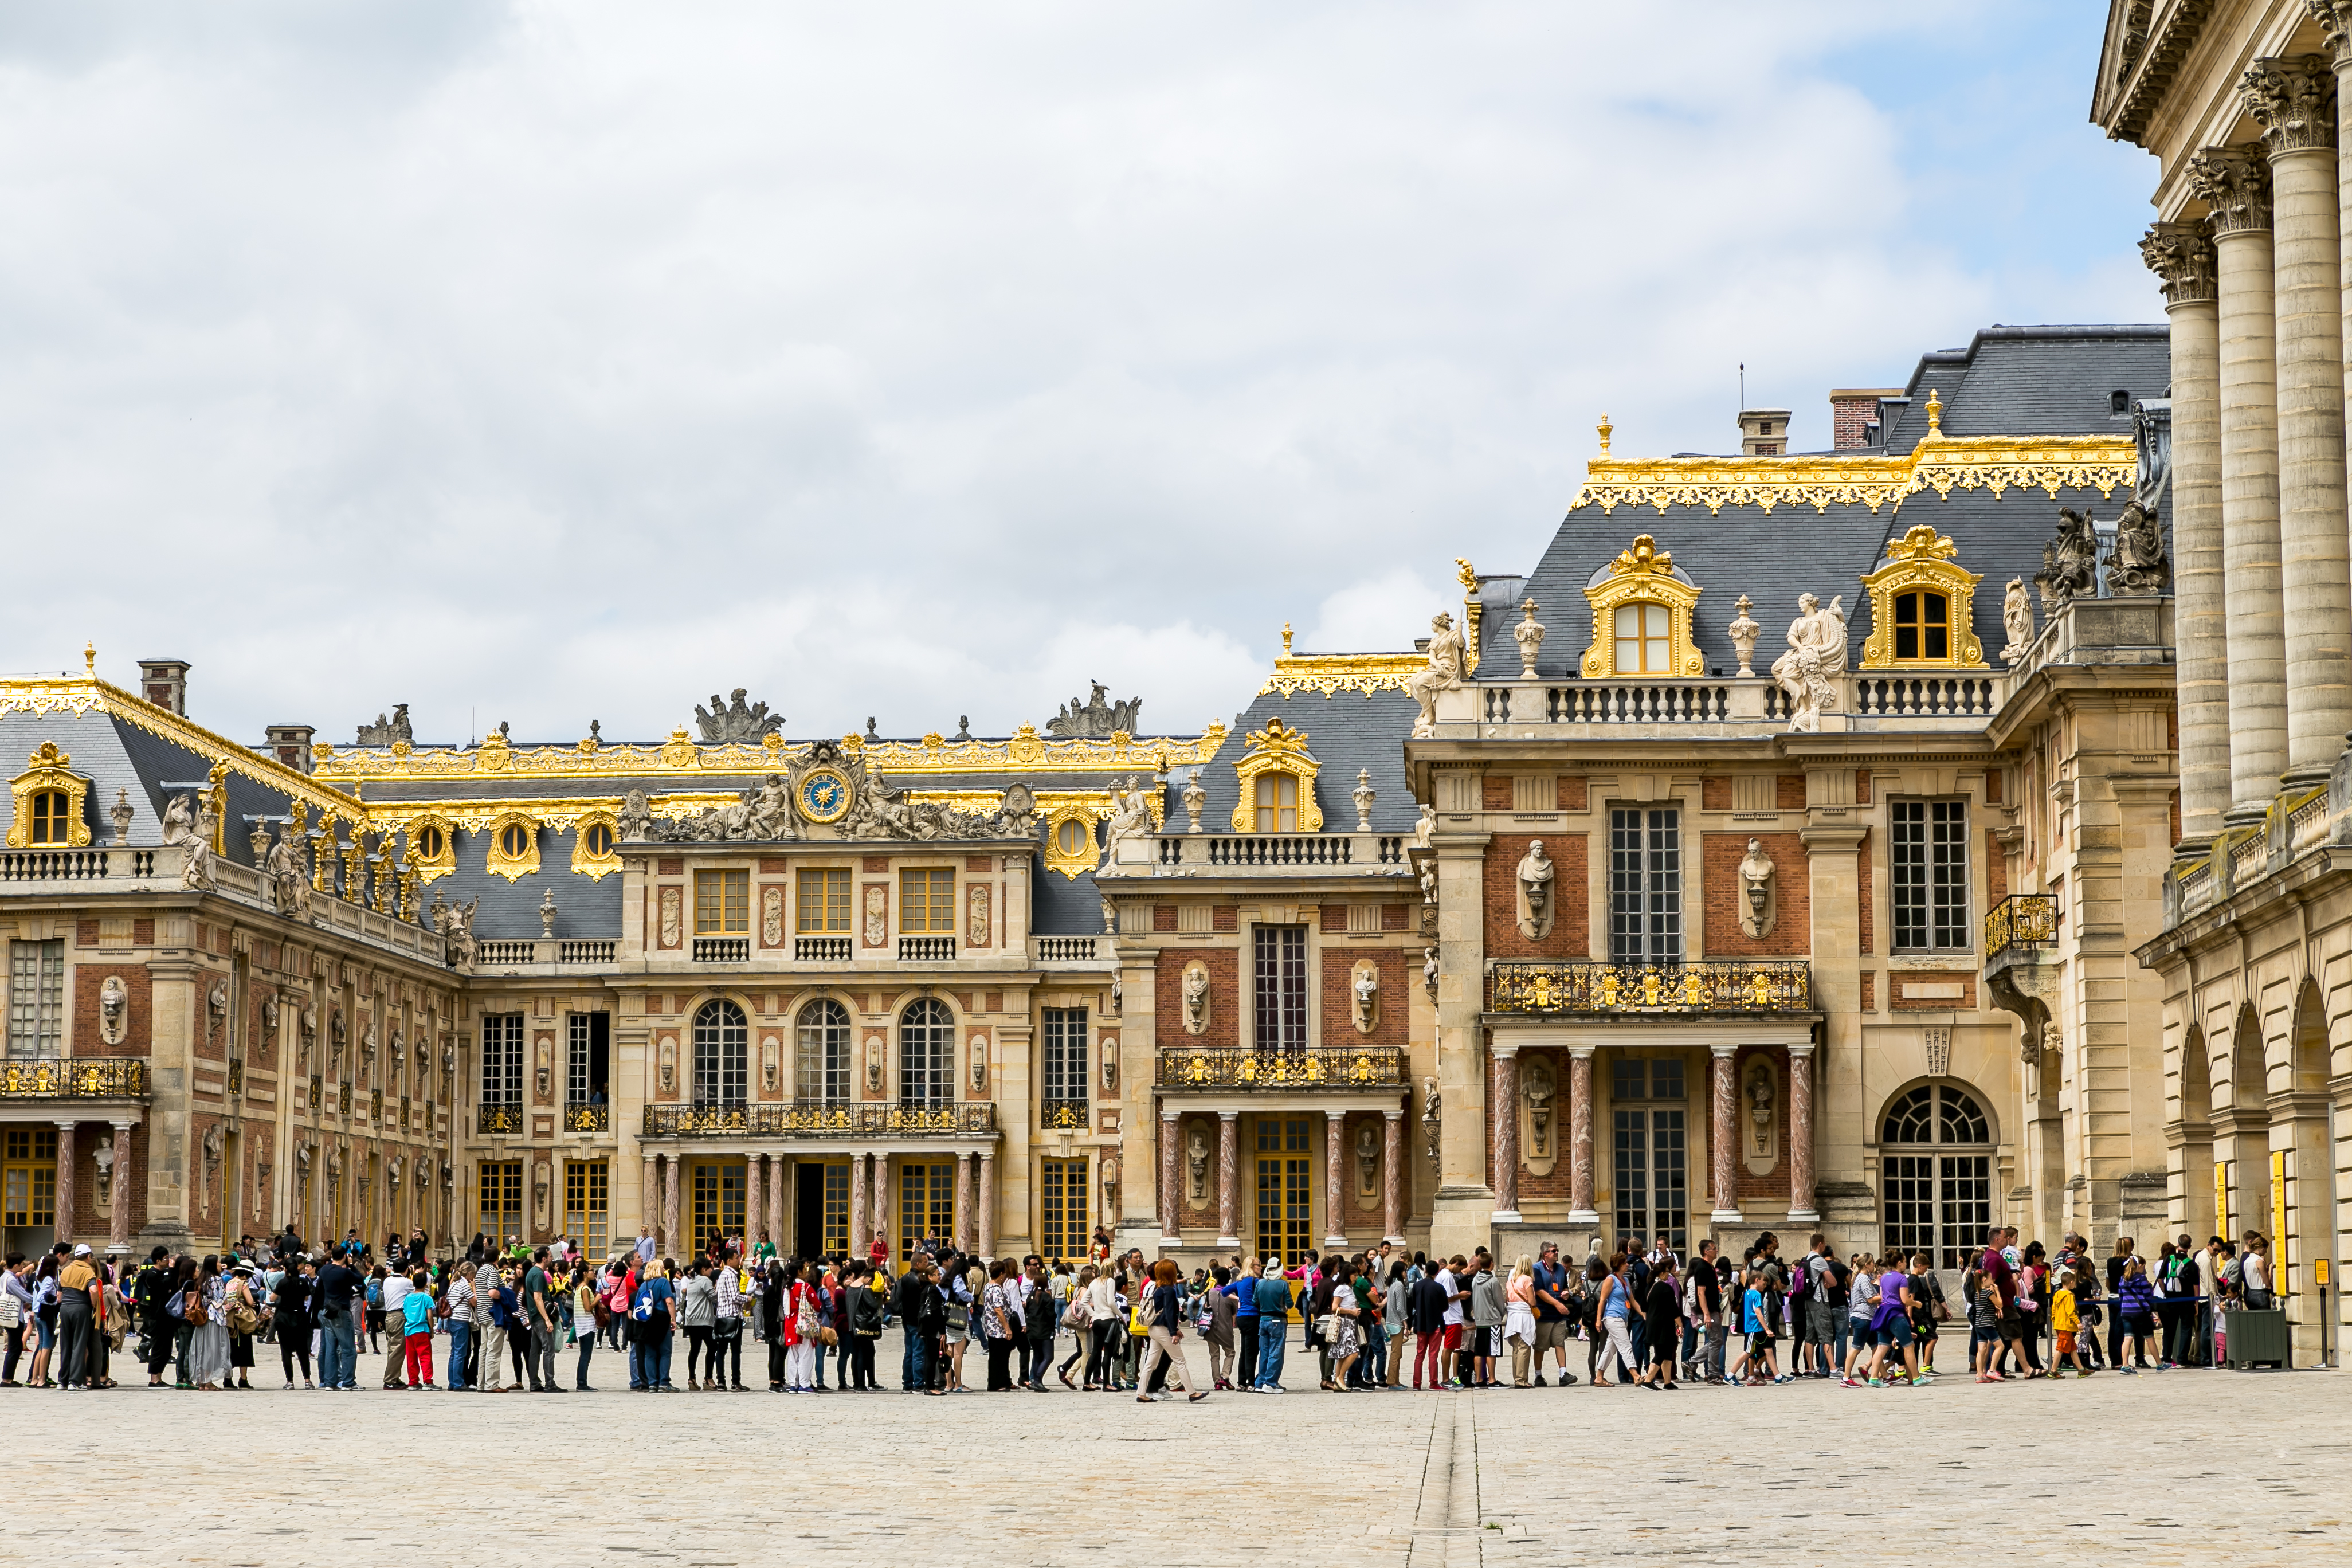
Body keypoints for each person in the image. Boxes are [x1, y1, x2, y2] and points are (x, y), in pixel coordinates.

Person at [1136, 1259, 1205, 1402]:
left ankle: (1141, 1393)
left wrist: (1175, 1329)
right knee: (1180, 1361)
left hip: (1154, 1328)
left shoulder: (1158, 1288)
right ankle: (1192, 1393)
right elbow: (1169, 1312)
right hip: (1163, 1330)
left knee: (1150, 1364)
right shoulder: (1168, 1289)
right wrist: (1173, 1332)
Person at [273, 1255, 316, 1389]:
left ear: (286, 1269)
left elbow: (272, 1297)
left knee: (286, 1351)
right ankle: (307, 1380)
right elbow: (306, 1298)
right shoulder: (303, 1282)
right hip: (300, 1318)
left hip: (284, 1318)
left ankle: (290, 1381)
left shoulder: (282, 1282)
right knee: (303, 1351)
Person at [2116, 1255, 2159, 1373]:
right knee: (2149, 1338)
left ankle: (2125, 1365)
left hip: (2126, 1311)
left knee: (2128, 1337)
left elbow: (2121, 1295)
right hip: (2140, 1312)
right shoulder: (2141, 1278)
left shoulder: (2122, 1279)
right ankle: (2159, 1364)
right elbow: (2148, 1295)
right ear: (2138, 1266)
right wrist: (2150, 1287)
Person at [1503, 1255, 1538, 1387]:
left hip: (1513, 1315)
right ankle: (1522, 1380)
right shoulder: (1527, 1279)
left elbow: (1507, 1299)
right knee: (1524, 1347)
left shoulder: (1511, 1280)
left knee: (1517, 1348)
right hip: (1523, 1316)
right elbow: (1532, 1301)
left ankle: (1517, 1377)